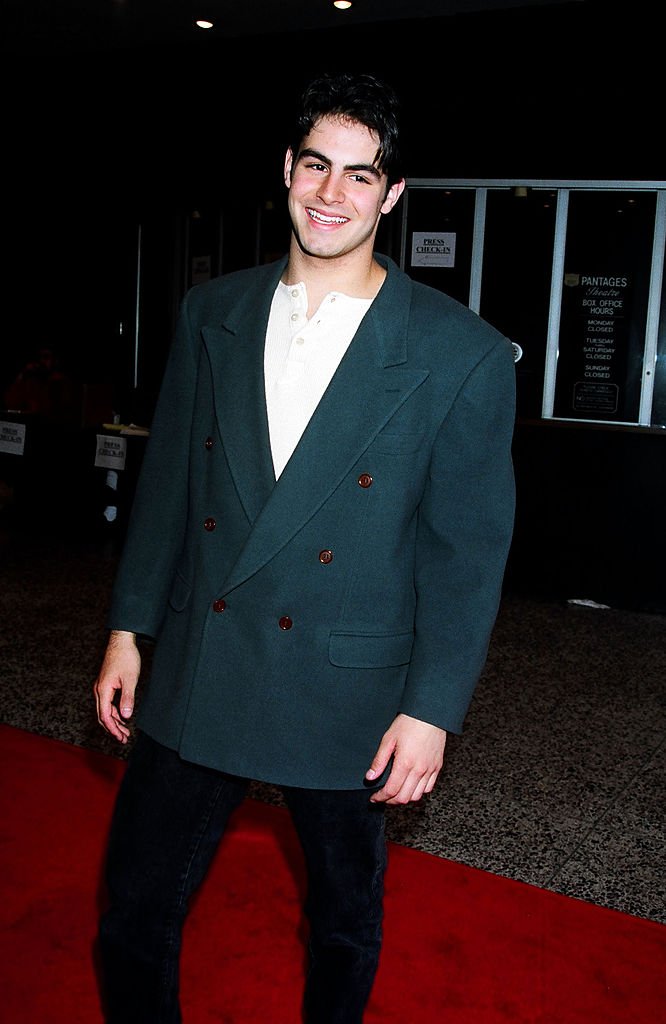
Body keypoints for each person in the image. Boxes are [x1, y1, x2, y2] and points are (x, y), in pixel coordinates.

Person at [93, 70, 516, 1023]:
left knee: (341, 926)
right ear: (286, 168)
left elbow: (466, 553)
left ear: (392, 195)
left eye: (361, 175)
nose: (332, 194)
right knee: (134, 913)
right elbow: (169, 489)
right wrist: (128, 629)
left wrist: (432, 709)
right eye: (317, 165)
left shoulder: (462, 352)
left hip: (347, 688)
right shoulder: (212, 312)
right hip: (205, 659)